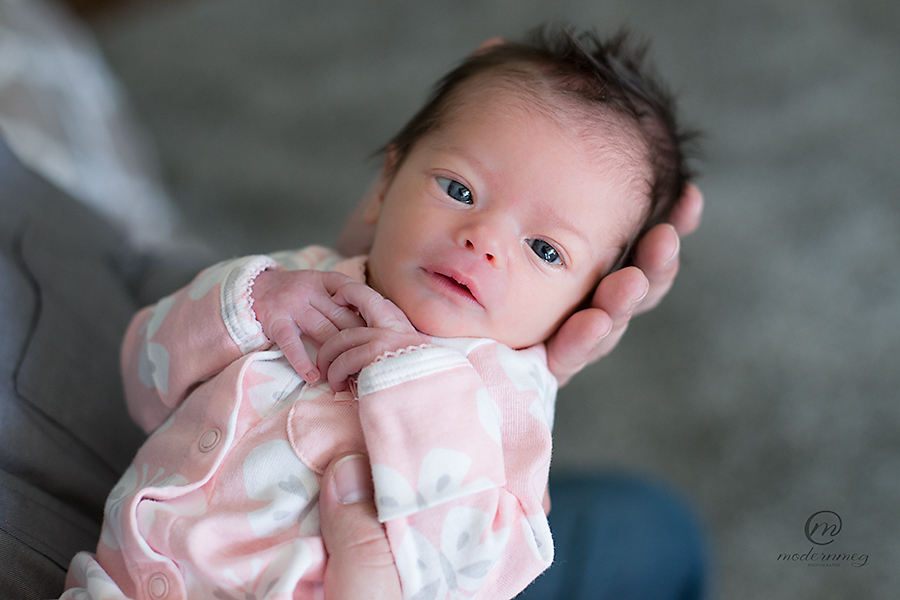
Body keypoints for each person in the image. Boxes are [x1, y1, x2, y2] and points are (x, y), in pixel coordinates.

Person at [61, 27, 703, 600]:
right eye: (459, 189)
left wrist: (413, 382)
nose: (482, 238)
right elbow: (143, 384)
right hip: (110, 578)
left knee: (665, 529)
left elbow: (483, 573)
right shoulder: (301, 282)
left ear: (585, 305)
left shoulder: (507, 397)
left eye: (544, 249)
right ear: (385, 186)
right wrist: (248, 301)